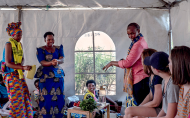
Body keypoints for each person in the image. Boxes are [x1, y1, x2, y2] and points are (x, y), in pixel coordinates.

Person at [103, 23, 149, 106]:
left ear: (138, 31)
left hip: (140, 79)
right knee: (142, 107)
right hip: (142, 78)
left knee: (141, 107)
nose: (130, 36)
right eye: (128, 34)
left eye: (132, 33)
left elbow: (128, 63)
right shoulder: (141, 40)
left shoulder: (138, 44)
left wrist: (112, 63)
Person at [0, 22, 33, 117]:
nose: (20, 37)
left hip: (19, 74)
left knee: (25, 95)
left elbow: (21, 60)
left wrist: (23, 66)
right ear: (13, 34)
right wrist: (22, 67)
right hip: (10, 75)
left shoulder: (19, 45)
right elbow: (8, 63)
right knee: (16, 98)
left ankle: (25, 115)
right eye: (18, 35)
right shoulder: (8, 45)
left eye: (21, 35)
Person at [124, 49, 163, 118]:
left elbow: (156, 103)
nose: (141, 62)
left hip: (160, 110)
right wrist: (139, 107)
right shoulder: (151, 75)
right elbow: (150, 95)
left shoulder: (158, 77)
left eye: (142, 59)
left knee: (129, 110)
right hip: (154, 108)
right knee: (129, 113)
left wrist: (140, 107)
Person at [34, 31, 65, 118]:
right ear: (45, 40)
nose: (51, 41)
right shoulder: (40, 50)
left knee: (59, 97)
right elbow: (42, 62)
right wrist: (52, 62)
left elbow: (62, 59)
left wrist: (57, 61)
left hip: (58, 76)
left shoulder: (59, 48)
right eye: (48, 39)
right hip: (45, 77)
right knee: (46, 97)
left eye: (52, 39)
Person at [143, 52, 179, 118]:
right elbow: (163, 109)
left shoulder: (172, 85)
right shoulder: (163, 81)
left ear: (156, 70)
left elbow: (170, 116)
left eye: (151, 65)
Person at [169, 46, 190, 118]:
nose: (168, 65)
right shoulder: (182, 87)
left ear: (177, 65)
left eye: (170, 62)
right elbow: (178, 115)